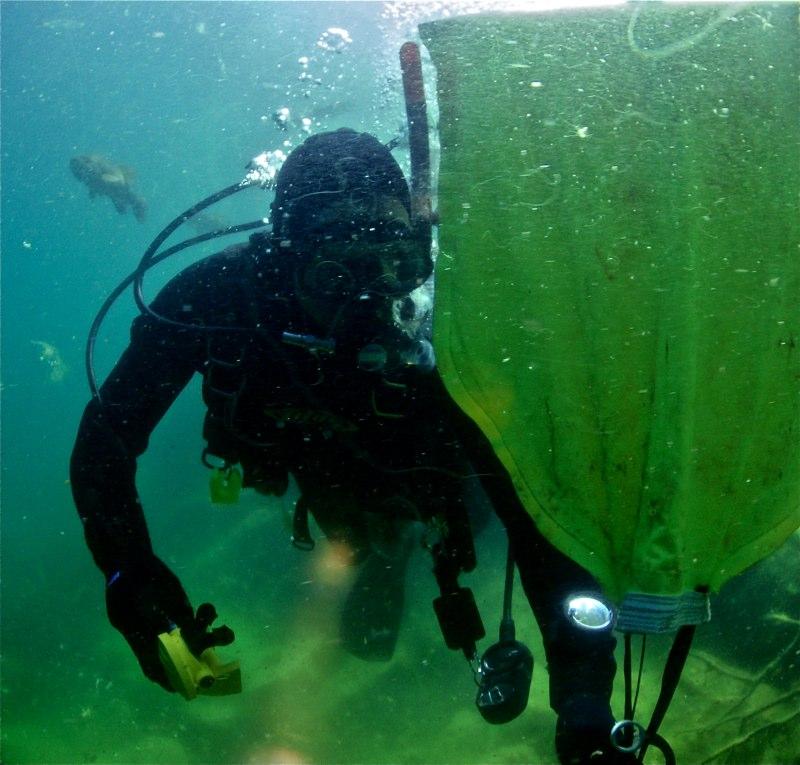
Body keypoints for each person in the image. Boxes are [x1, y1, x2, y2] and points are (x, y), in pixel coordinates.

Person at [71, 128, 620, 764]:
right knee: (357, 544)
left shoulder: (449, 318)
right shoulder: (219, 298)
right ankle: (377, 554)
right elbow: (106, 441)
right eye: (336, 268)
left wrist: (584, 699)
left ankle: (407, 545)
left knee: (478, 515)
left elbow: (540, 531)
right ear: (284, 255)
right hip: (324, 468)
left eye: (390, 257)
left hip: (444, 475)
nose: (367, 295)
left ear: (416, 249)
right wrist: (126, 569)